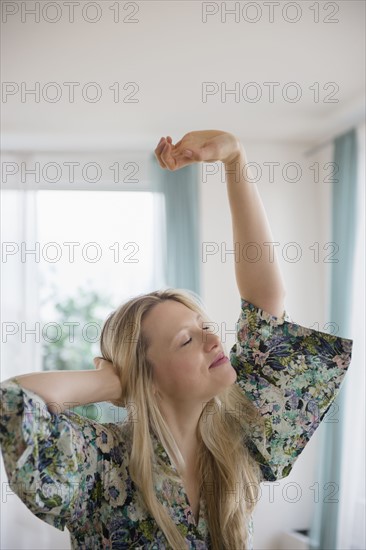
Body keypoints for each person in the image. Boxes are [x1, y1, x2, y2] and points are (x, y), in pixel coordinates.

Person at [0, 131, 354, 550]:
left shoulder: (239, 437)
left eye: (204, 325)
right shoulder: (102, 462)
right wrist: (113, 383)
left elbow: (267, 304)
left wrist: (234, 160)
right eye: (187, 340)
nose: (212, 339)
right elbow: (16, 400)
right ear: (147, 376)